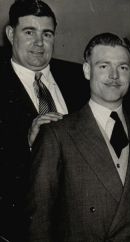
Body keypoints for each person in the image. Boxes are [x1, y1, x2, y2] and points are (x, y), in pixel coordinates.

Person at [27, 33, 130, 241]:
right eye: (104, 66)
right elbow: (39, 218)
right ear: (87, 70)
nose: (114, 76)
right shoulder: (57, 133)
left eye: (122, 67)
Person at [0, 1, 89, 241]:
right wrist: (28, 143)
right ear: (11, 34)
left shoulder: (79, 77)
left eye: (46, 34)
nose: (39, 43)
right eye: (29, 32)